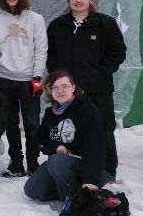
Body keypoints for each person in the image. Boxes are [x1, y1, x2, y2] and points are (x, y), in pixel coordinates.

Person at [46, 0, 126, 179]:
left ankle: (108, 170)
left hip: (98, 89)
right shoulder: (58, 25)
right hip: (67, 92)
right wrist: (58, 78)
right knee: (68, 128)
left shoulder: (105, 24)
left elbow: (118, 51)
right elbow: (50, 54)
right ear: (69, 2)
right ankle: (74, 166)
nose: (78, 1)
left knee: (104, 129)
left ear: (90, 0)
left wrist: (102, 71)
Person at [0, 0, 47, 177]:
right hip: (4, 79)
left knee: (31, 124)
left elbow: (41, 50)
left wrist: (37, 76)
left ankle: (33, 162)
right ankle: (16, 162)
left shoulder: (35, 19)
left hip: (29, 80)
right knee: (10, 123)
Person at [24, 70, 112, 205]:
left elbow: (95, 149)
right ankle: (74, 191)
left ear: (73, 88)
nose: (60, 90)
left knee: (56, 161)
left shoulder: (87, 110)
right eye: (55, 87)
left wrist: (90, 180)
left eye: (64, 86)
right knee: (33, 190)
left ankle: (75, 201)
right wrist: (56, 146)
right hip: (64, 165)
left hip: (95, 167)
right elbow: (40, 138)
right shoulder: (50, 113)